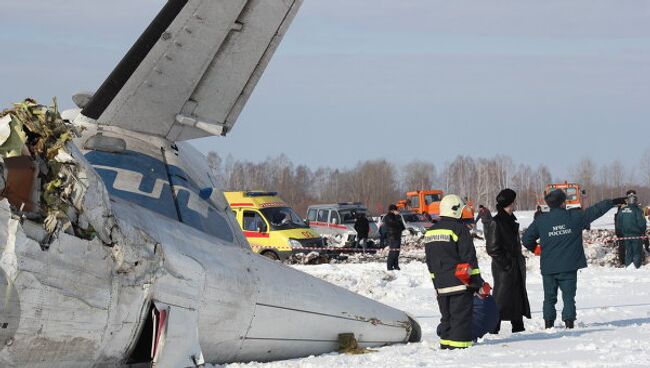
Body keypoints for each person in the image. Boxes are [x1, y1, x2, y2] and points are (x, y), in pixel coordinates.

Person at [522, 189, 626, 329]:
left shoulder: (541, 220)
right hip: (569, 266)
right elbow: (595, 211)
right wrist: (612, 202)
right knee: (569, 297)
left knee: (549, 298)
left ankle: (548, 324)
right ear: (562, 202)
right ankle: (569, 323)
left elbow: (526, 238)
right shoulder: (574, 216)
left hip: (549, 267)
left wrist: (536, 249)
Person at [424, 194, 489, 349]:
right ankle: (459, 350)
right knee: (460, 319)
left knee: (446, 319)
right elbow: (469, 260)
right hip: (459, 284)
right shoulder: (459, 229)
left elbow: (430, 262)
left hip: (440, 285)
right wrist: (478, 283)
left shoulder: (430, 232)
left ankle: (445, 346)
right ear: (456, 210)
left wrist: (436, 284)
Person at [485, 189, 531, 333]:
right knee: (501, 300)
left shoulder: (511, 220)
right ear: (510, 203)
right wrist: (507, 264)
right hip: (504, 269)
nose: (516, 203)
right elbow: (492, 248)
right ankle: (493, 330)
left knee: (516, 297)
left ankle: (518, 328)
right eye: (514, 201)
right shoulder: (496, 222)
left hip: (514, 266)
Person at [615, 190, 647, 269]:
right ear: (636, 201)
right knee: (637, 252)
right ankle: (636, 267)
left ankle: (628, 265)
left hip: (625, 235)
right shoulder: (638, 211)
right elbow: (642, 223)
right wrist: (643, 231)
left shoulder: (621, 210)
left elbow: (618, 223)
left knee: (628, 251)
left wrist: (620, 232)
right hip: (636, 234)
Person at [384, 204, 405, 270]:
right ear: (392, 210)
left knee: (397, 252)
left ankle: (396, 265)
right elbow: (394, 224)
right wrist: (397, 217)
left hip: (398, 235)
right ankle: (389, 266)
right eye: (395, 210)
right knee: (393, 252)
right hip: (392, 236)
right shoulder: (388, 217)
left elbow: (402, 226)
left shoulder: (396, 216)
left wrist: (398, 217)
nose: (397, 211)